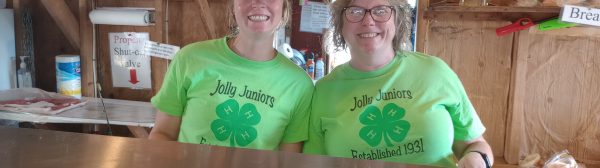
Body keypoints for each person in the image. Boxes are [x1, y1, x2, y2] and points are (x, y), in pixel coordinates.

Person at [303, 0, 494, 167]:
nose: (368, 21)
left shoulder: (435, 71)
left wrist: (477, 160)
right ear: (340, 24)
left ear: (397, 19)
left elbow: (474, 144)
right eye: (355, 11)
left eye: (380, 10)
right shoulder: (324, 91)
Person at [149, 0, 313, 153]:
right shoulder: (189, 58)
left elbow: (288, 160)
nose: (259, 2)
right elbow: (162, 134)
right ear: (233, 7)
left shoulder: (300, 85)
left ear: (284, 9)